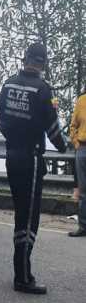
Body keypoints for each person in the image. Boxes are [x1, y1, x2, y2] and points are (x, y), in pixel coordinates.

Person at [0, 43, 68, 294]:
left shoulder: (8, 85)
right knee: (28, 219)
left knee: (20, 213)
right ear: (43, 63)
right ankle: (23, 277)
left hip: (11, 156)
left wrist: (14, 138)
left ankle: (20, 271)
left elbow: (1, 121)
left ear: (25, 58)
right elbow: (53, 130)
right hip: (31, 158)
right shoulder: (42, 90)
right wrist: (64, 147)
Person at [68, 90, 86, 237]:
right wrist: (76, 143)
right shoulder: (81, 100)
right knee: (83, 191)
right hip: (83, 148)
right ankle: (83, 226)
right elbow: (73, 125)